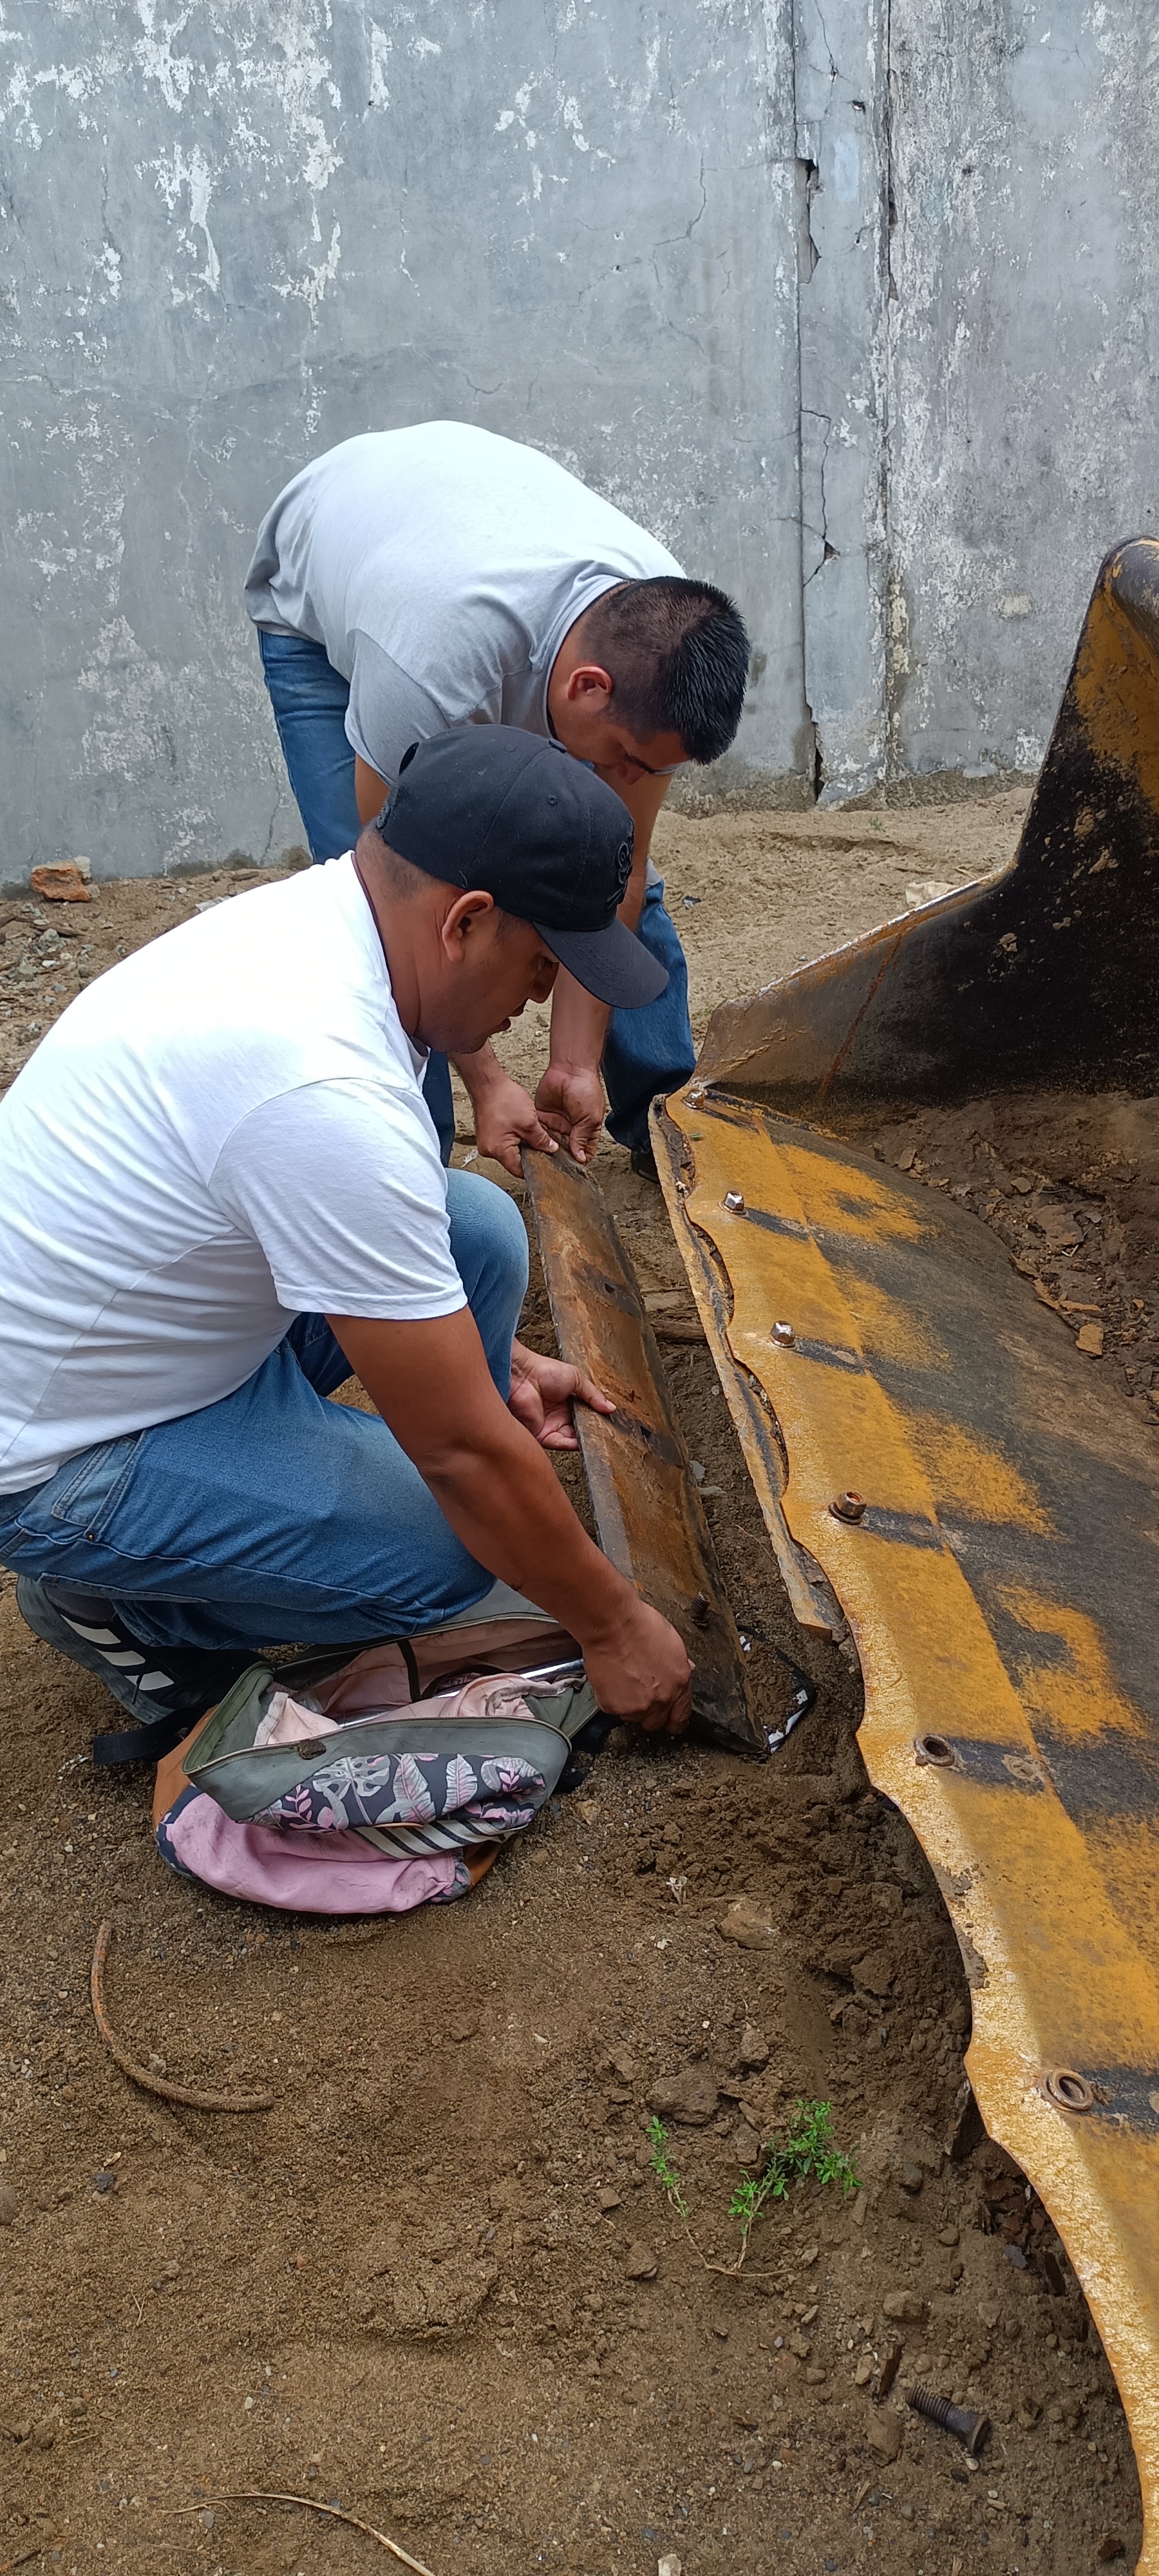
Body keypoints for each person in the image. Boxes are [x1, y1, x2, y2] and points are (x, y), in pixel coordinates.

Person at [0, 729, 693, 1765]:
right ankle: (114, 1600)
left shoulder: (326, 927)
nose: (542, 999)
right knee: (449, 1550)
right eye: (543, 964)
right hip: (61, 1449)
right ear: (466, 921)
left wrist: (479, 1363)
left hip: (145, 1335)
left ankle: (329, 1456)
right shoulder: (320, 1082)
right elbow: (462, 1457)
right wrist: (614, 1625)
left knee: (476, 1229)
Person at [245, 420, 749, 1176]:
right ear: (589, 688)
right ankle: (410, 1160)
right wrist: (488, 1081)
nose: (632, 779)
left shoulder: (668, 645)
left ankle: (660, 1118)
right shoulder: (428, 674)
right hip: (318, 597)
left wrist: (573, 1062)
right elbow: (402, 900)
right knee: (373, 914)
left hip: (455, 540)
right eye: (627, 760)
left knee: (602, 865)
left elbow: (619, 873)